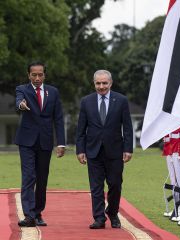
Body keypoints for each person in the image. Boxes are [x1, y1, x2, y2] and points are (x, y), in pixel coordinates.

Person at [76, 70, 133, 229]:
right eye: (98, 83)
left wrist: (128, 149)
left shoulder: (121, 100)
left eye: (104, 83)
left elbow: (127, 127)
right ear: (94, 83)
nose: (101, 86)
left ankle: (113, 213)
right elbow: (81, 129)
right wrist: (80, 150)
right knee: (96, 186)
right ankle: (99, 218)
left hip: (115, 151)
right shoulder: (86, 102)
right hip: (93, 151)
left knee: (115, 184)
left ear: (110, 83)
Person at [15, 61, 66, 227]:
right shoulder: (22, 89)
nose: (37, 78)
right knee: (29, 176)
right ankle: (29, 215)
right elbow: (19, 101)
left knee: (42, 179)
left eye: (40, 74)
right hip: (27, 141)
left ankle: (37, 213)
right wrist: (21, 105)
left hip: (45, 141)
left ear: (45, 75)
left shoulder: (53, 92)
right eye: (34, 74)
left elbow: (58, 118)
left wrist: (61, 143)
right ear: (28, 75)